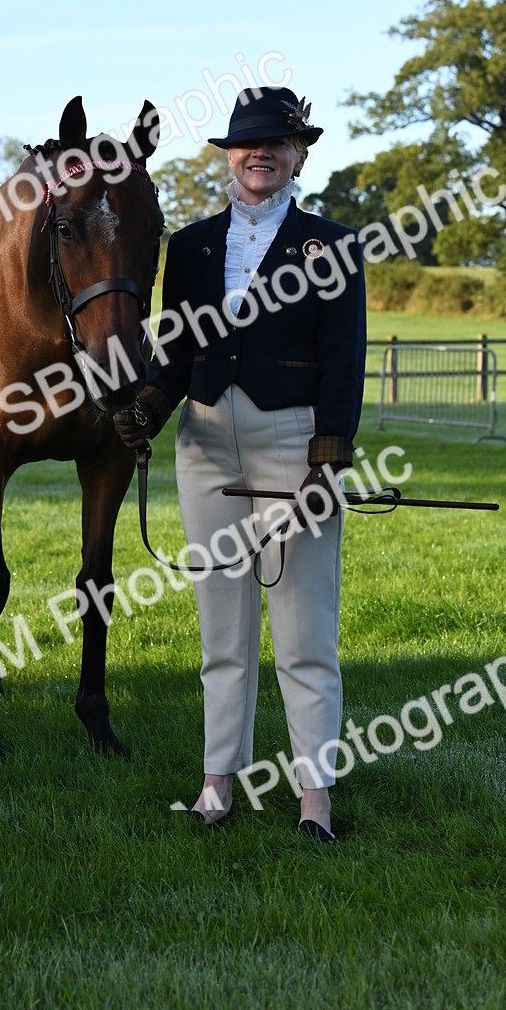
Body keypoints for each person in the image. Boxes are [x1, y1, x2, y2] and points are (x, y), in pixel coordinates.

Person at [114, 87, 366, 842]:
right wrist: (149, 410)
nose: (261, 153)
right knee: (221, 628)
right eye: (246, 142)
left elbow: (343, 362)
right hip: (205, 443)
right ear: (229, 154)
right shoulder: (188, 246)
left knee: (303, 627)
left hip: (293, 443)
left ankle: (313, 798)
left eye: (277, 143)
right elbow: (177, 351)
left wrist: (327, 461)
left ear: (298, 156)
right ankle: (217, 783)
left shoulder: (333, 245)